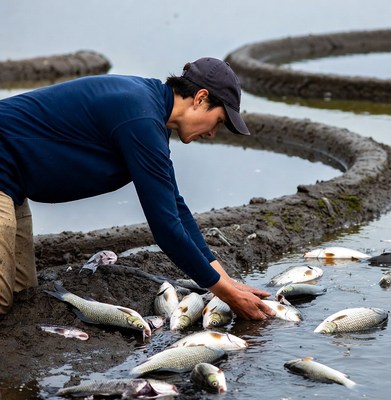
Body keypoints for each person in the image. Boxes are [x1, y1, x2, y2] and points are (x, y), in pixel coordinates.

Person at [0, 57, 275, 320]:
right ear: (201, 98)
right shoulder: (140, 118)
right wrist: (226, 295)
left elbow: (176, 208)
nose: (213, 133)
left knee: (22, 293)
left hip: (11, 184)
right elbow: (166, 228)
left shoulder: (152, 118)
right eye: (218, 122)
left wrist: (228, 283)